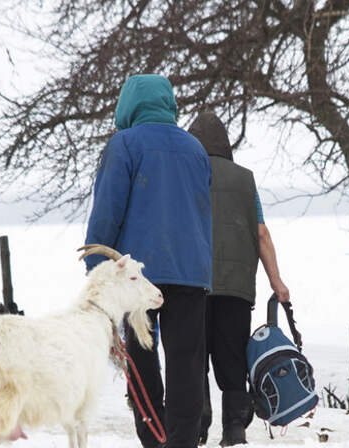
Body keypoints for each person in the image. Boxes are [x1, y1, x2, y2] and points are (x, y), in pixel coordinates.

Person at [83, 74, 212, 448]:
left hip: (136, 280)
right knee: (187, 363)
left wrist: (97, 275)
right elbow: (203, 212)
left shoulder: (124, 145)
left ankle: (155, 438)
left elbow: (106, 214)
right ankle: (182, 442)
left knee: (140, 361)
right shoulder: (195, 149)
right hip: (190, 272)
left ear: (129, 104)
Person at [188, 111, 290, 447]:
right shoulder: (245, 180)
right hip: (236, 287)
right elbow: (261, 234)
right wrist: (277, 282)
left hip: (191, 282)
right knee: (232, 357)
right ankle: (234, 429)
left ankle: (198, 423)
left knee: (194, 354)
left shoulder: (185, 174)